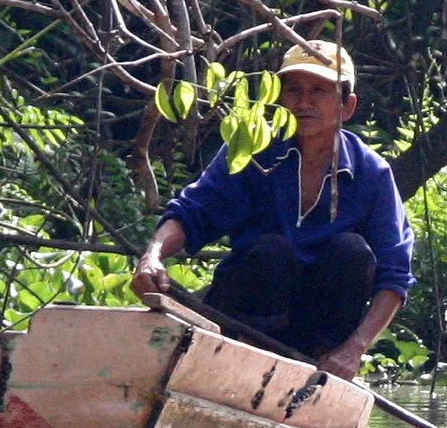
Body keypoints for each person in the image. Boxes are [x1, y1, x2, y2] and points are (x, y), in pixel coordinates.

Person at [130, 40, 413, 381]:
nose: (304, 103)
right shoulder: (253, 150)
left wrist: (353, 351)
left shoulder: (373, 173)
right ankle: (244, 358)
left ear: (346, 106)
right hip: (245, 321)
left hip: (319, 338)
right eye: (294, 91)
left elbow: (394, 276)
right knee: (272, 251)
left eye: (319, 91)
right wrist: (153, 256)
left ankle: (322, 368)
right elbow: (195, 211)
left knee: (352, 251)